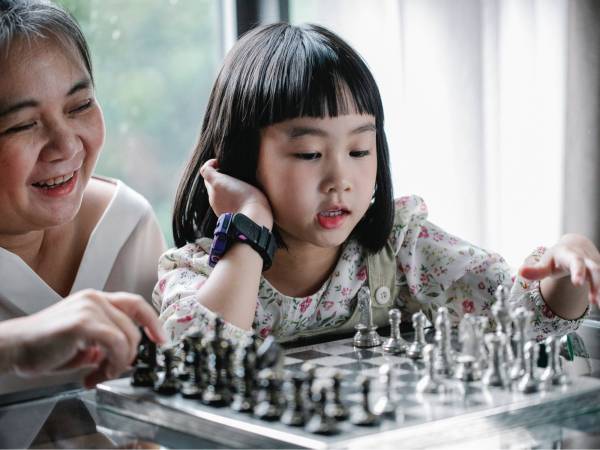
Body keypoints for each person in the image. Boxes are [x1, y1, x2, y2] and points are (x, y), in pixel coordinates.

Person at [153, 23, 600, 346]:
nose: (339, 180)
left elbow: (523, 315)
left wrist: (567, 266)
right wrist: (248, 227)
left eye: (360, 151)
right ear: (241, 160)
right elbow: (196, 356)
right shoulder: (199, 274)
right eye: (309, 154)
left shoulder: (401, 247)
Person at [0, 0, 166, 393]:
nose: (65, 146)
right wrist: (15, 344)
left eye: (81, 105)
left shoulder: (127, 227)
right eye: (24, 124)